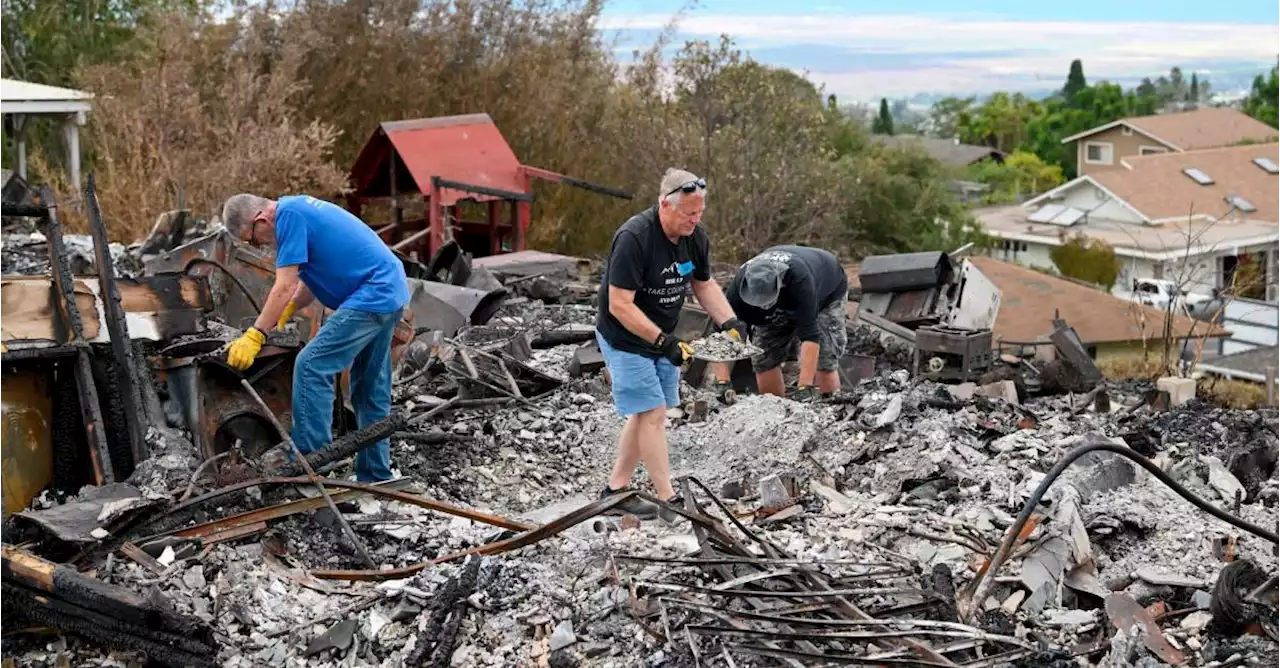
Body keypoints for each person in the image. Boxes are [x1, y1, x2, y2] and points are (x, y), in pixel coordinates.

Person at [220, 193, 410, 482]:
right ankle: (376, 474)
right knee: (369, 387)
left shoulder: (288, 217)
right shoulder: (298, 210)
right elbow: (305, 280)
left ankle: (311, 462)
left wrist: (256, 334)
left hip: (372, 293)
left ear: (260, 220)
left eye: (252, 240)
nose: (258, 246)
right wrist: (292, 308)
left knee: (311, 364)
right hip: (389, 289)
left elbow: (282, 285)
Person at [595, 168, 744, 521]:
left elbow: (703, 284)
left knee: (648, 411)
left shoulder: (695, 238)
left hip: (660, 335)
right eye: (688, 213)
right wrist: (664, 342)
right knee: (654, 413)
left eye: (699, 213)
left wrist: (730, 321)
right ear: (665, 205)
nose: (695, 220)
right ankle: (668, 499)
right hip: (625, 334)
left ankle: (615, 491)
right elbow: (619, 305)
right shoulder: (635, 238)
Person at [726, 245, 849, 401]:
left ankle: (830, 408)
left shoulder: (799, 280)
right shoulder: (737, 289)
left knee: (824, 358)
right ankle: (773, 410)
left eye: (766, 302)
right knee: (764, 359)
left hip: (825, 292)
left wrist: (804, 387)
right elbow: (721, 338)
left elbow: (810, 337)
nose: (762, 306)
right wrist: (722, 380)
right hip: (785, 296)